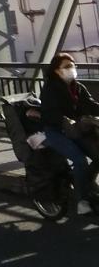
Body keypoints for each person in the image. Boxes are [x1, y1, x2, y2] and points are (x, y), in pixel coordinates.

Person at [40, 52, 99, 214]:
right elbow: (49, 113)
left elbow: (90, 105)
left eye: (73, 65)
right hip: (55, 131)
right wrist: (64, 120)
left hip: (75, 130)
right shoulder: (50, 88)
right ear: (57, 70)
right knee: (80, 160)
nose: (72, 69)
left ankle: (84, 181)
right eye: (67, 66)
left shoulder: (77, 87)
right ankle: (82, 200)